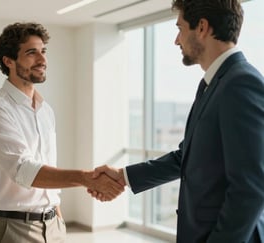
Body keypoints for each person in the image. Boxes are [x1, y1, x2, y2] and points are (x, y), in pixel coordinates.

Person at [91, 0, 264, 242]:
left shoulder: (240, 84)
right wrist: (124, 176)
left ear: (202, 28)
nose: (177, 40)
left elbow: (251, 188)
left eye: (180, 28)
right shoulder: (212, 85)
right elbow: (187, 157)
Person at [0, 22, 124, 243]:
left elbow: (45, 168)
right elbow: (24, 171)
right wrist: (86, 178)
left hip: (52, 224)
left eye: (43, 51)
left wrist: (58, 221)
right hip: (12, 229)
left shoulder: (45, 110)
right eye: (31, 53)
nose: (42, 60)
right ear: (9, 61)